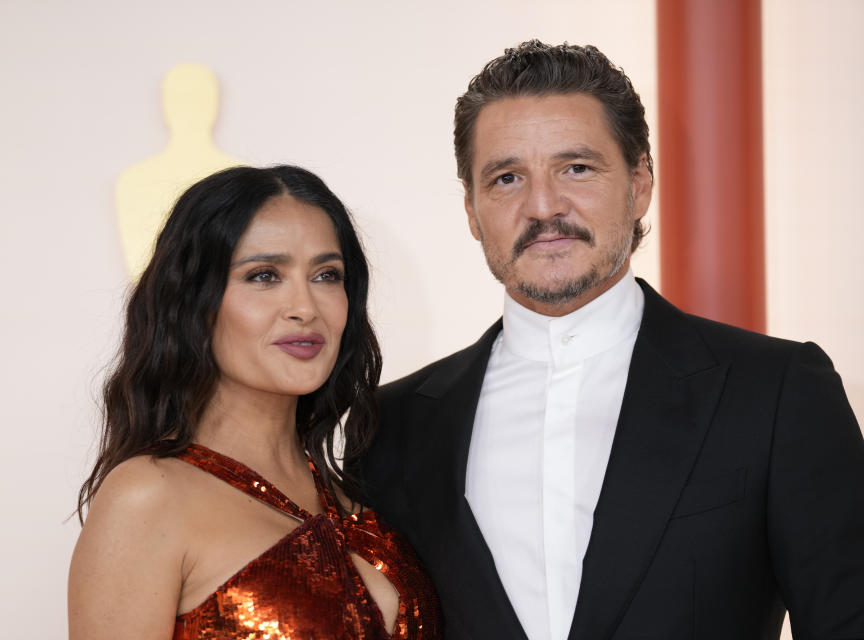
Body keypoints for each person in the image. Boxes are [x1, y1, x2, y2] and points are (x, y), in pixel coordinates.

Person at [352, 41, 864, 640]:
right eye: (507, 177)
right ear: (471, 209)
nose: (543, 206)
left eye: (577, 168)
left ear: (640, 183)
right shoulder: (389, 425)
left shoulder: (775, 391)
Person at [69, 165, 441, 639]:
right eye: (264, 275)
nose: (305, 308)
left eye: (327, 275)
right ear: (194, 302)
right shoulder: (147, 498)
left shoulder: (356, 494)